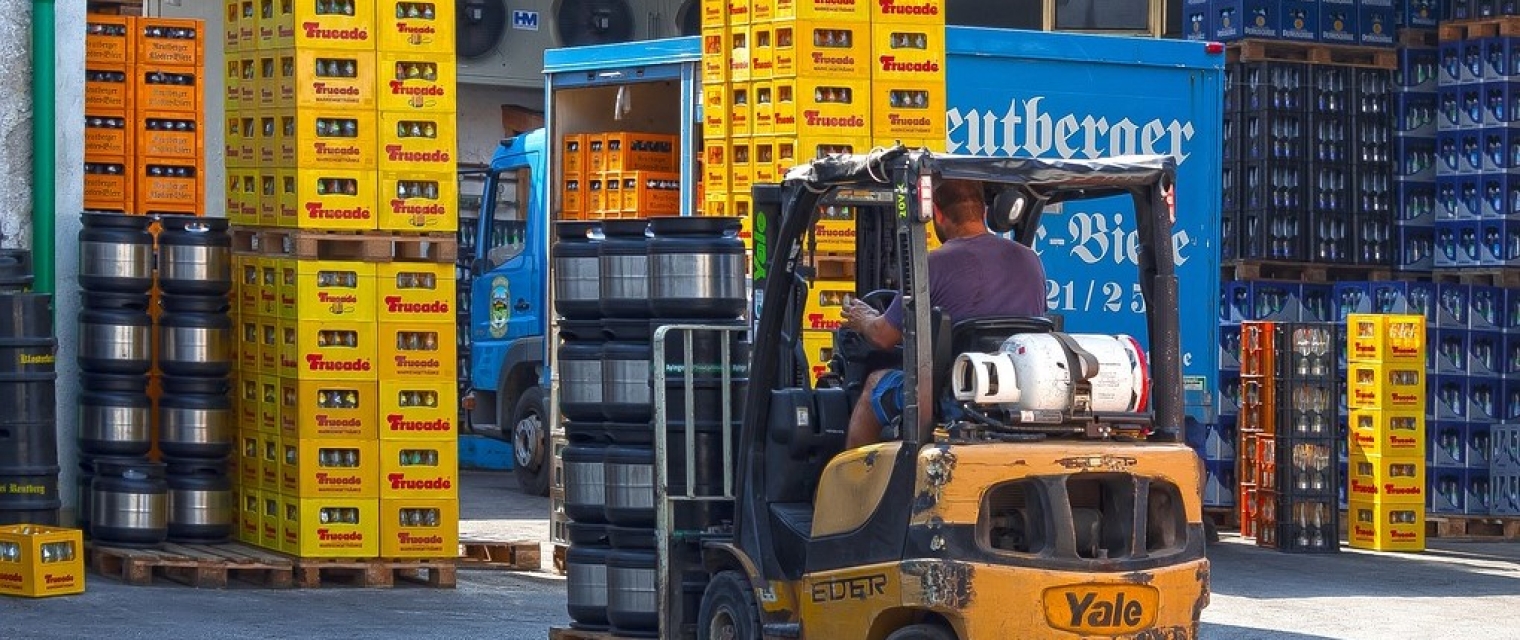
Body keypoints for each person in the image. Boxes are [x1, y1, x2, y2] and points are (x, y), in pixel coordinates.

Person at [838, 179, 1048, 448]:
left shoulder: (932, 264)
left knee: (873, 387)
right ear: (983, 211)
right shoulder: (1030, 260)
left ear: (935, 212)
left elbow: (883, 337)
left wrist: (863, 319)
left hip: (955, 391)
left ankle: (856, 486)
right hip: (1019, 388)